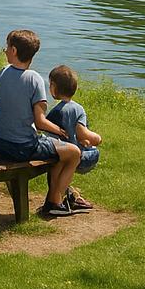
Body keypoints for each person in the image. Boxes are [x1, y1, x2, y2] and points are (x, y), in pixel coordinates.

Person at [0, 30, 82, 219]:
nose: (5, 51)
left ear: (13, 50)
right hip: (23, 148)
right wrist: (60, 131)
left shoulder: (2, 72)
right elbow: (40, 121)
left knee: (58, 149)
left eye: (6, 47)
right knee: (73, 153)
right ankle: (55, 201)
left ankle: (55, 201)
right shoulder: (35, 79)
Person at [46, 65, 102, 211]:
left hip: (54, 153)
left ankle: (57, 198)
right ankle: (59, 200)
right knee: (94, 152)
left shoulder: (54, 112)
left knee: (57, 167)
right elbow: (83, 134)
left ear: (53, 87)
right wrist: (97, 139)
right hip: (75, 157)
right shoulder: (78, 109)